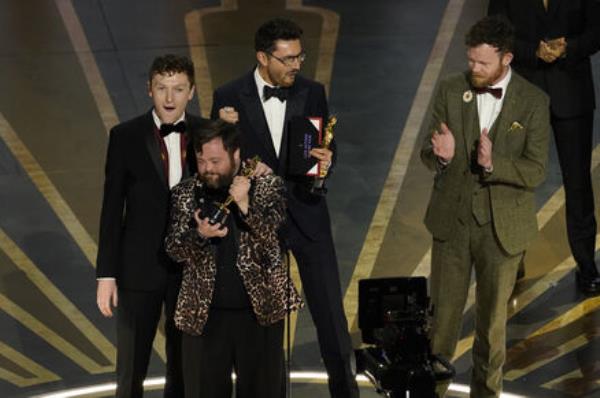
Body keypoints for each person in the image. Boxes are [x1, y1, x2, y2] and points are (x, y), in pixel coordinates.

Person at [211, 18, 359, 398]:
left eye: (300, 56)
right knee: (265, 323)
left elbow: (326, 143)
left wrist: (327, 160)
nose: (297, 66)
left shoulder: (312, 92)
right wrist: (231, 146)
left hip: (308, 216)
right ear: (263, 57)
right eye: (288, 58)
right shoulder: (229, 97)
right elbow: (215, 164)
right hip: (259, 225)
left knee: (331, 319)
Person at [421, 16, 550, 397]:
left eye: (483, 63)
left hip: (503, 229)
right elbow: (428, 154)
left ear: (506, 58)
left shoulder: (533, 101)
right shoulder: (449, 90)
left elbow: (537, 170)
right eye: (471, 61)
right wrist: (440, 156)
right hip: (453, 223)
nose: (474, 69)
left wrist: (494, 164)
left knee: (492, 330)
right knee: (441, 325)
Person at [164, 119, 302, 398]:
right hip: (204, 318)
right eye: (201, 160)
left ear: (236, 155)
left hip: (259, 315)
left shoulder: (267, 186)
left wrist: (245, 205)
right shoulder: (185, 193)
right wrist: (200, 235)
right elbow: (174, 250)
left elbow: (274, 245)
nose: (207, 169)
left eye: (215, 160)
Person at [96, 54, 206, 398]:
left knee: (185, 368)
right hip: (138, 270)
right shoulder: (125, 136)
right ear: (149, 90)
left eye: (178, 89)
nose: (169, 98)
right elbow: (112, 209)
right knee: (131, 369)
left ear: (192, 91)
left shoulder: (209, 134)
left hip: (190, 269)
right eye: (162, 88)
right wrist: (106, 275)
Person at [487, 0, 600, 295]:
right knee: (515, 183)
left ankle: (587, 265)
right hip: (524, 94)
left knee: (578, 184)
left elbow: (597, 30)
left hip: (572, 94)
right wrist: (532, 50)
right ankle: (513, 260)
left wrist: (570, 47)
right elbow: (496, 31)